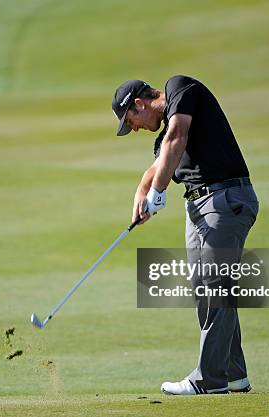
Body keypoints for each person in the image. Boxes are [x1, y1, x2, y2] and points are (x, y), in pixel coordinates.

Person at [111, 76, 259, 395]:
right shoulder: (163, 138)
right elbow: (158, 162)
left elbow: (177, 136)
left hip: (225, 199)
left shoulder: (181, 89)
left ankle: (210, 379)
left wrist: (159, 190)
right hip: (198, 208)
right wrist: (143, 191)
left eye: (130, 120)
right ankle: (233, 374)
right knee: (205, 289)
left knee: (216, 285)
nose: (132, 127)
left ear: (139, 103)